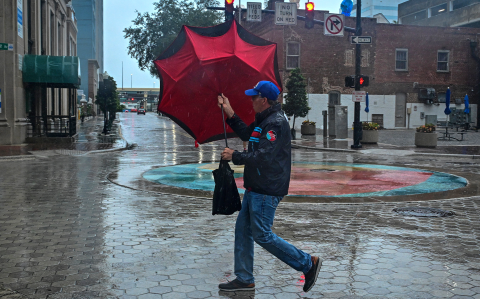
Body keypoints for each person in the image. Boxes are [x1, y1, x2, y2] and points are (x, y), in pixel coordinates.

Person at [217, 81, 322, 293]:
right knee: (243, 231)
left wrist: (235, 155)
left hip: (266, 189)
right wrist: (228, 111)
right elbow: (248, 134)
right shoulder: (264, 119)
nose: (251, 100)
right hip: (255, 187)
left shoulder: (275, 123)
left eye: (253, 97)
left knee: (262, 234)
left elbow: (263, 157)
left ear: (263, 100)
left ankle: (307, 263)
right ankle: (244, 278)